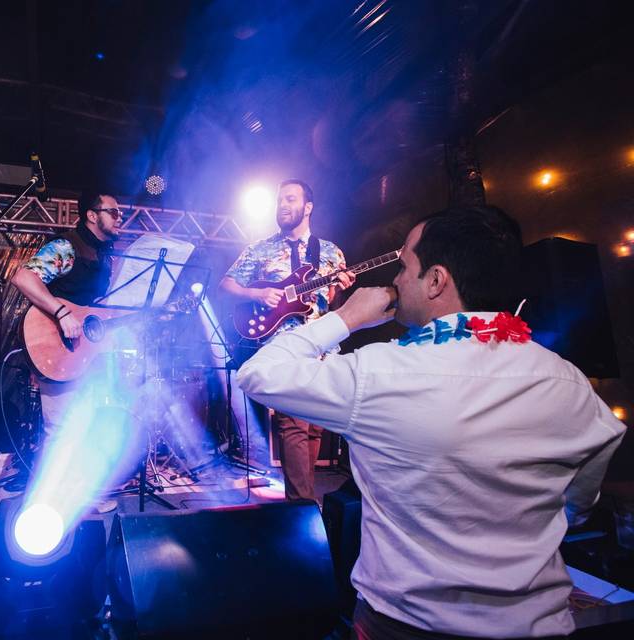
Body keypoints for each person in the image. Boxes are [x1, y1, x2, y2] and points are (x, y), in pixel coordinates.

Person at [237, 205, 626, 639]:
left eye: (404, 266)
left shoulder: (378, 373)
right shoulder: (569, 381)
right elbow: (576, 508)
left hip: (404, 627)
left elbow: (257, 373)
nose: (397, 280)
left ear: (436, 280)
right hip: (538, 625)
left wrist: (345, 318)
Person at [220, 179, 353, 501]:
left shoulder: (331, 252)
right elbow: (226, 284)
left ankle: (302, 505)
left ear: (308, 207)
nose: (283, 205)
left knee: (314, 426)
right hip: (284, 345)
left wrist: (340, 288)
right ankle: (303, 505)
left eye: (290, 199)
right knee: (293, 423)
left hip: (323, 346)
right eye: (280, 200)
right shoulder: (261, 248)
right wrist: (257, 292)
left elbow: (329, 302)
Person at [10, 191, 122, 445]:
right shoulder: (67, 247)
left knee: (86, 429)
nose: (120, 218)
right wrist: (62, 313)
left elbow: (91, 307)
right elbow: (24, 277)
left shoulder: (104, 255)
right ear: (92, 216)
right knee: (61, 434)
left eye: (121, 214)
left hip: (86, 351)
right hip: (57, 346)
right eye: (113, 212)